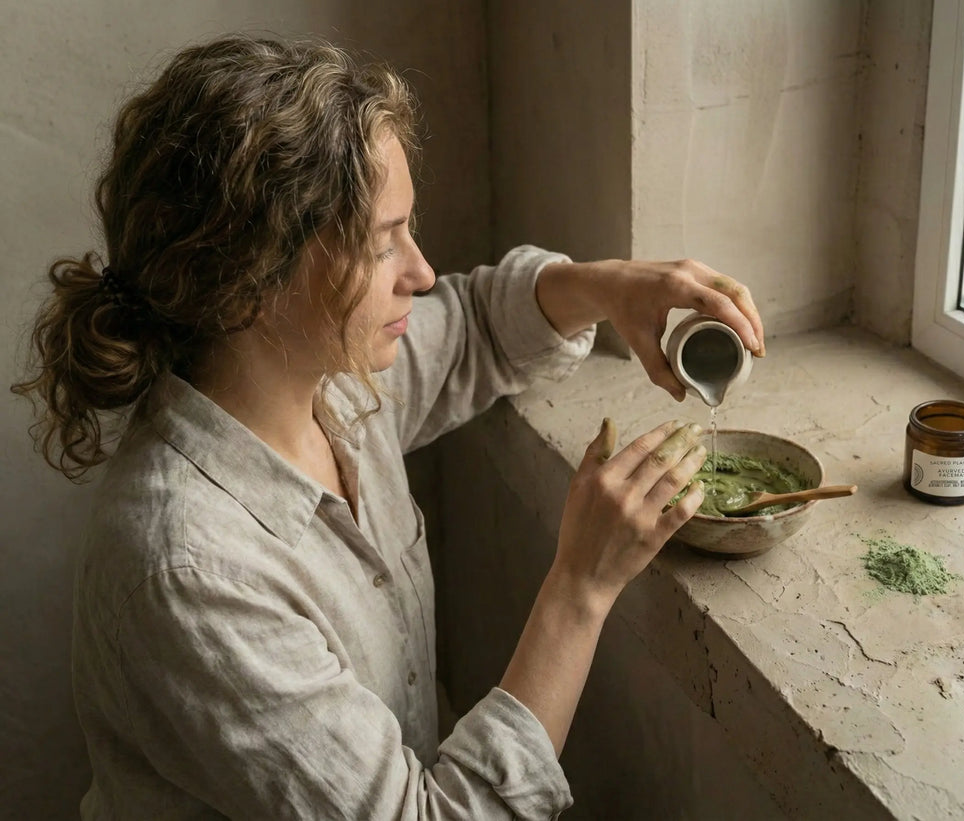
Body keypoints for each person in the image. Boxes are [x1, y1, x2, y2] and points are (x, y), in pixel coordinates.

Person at [12, 34, 765, 819]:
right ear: (251, 278)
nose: (421, 272)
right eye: (382, 244)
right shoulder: (190, 573)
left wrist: (611, 286)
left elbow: (472, 325)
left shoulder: (327, 386)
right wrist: (581, 585)